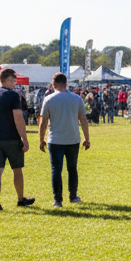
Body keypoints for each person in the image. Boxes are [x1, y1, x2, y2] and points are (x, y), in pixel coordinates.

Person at [0, 68, 35, 210]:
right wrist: (24, 138)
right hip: (11, 138)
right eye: (13, 80)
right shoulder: (13, 95)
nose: (14, 83)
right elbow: (18, 118)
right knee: (17, 169)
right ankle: (20, 198)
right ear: (6, 79)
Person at [38, 72, 91, 208]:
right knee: (72, 169)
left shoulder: (49, 99)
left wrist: (41, 139)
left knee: (56, 170)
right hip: (73, 139)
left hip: (55, 140)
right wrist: (87, 138)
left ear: (53, 84)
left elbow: (43, 122)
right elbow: (83, 120)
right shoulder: (77, 98)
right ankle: (73, 196)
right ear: (66, 83)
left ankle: (58, 200)